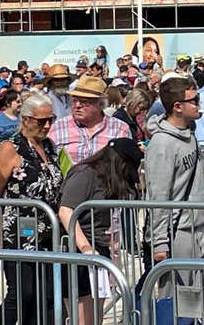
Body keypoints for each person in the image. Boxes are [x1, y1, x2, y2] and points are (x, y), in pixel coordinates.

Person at [0, 93, 62, 324]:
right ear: (26, 119)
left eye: (51, 119)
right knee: (21, 294)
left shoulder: (49, 147)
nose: (47, 125)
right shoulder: (11, 148)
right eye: (41, 121)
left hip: (49, 236)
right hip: (18, 234)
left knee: (46, 297)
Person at [144, 76, 204, 317]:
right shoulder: (162, 143)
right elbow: (158, 195)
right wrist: (160, 242)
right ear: (177, 106)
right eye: (194, 100)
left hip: (200, 226)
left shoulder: (190, 134)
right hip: (178, 232)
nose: (199, 104)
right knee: (178, 301)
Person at [59, 139, 143, 325]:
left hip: (99, 250)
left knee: (94, 318)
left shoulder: (108, 180)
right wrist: (85, 247)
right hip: (79, 253)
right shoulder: (85, 175)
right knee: (83, 319)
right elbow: (66, 210)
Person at [50, 76, 131, 164]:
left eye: (84, 101)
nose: (77, 105)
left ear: (101, 104)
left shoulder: (119, 129)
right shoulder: (58, 127)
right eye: (74, 100)